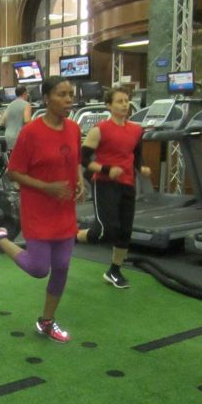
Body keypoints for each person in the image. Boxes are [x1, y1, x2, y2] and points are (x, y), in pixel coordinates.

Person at [0, 76, 85, 344]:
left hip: (65, 210)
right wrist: (46, 187)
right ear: (47, 99)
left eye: (70, 94)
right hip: (38, 209)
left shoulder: (73, 128)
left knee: (61, 267)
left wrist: (80, 180)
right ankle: (0, 240)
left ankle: (46, 321)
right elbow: (14, 172)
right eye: (62, 94)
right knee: (39, 268)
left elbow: (74, 160)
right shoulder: (31, 132)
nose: (68, 100)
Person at [76, 87, 150, 289]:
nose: (125, 105)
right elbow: (83, 159)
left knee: (125, 231)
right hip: (105, 183)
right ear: (109, 105)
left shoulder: (136, 130)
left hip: (127, 184)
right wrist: (107, 169)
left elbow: (135, 155)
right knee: (107, 231)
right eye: (119, 101)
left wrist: (140, 168)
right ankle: (71, 235)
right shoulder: (99, 130)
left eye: (126, 101)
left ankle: (114, 271)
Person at [2, 85, 32, 151]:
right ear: (25, 93)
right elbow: (27, 121)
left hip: (8, 137)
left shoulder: (9, 105)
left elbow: (2, 122)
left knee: (13, 158)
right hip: (19, 137)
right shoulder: (26, 105)